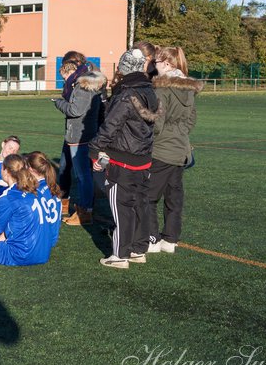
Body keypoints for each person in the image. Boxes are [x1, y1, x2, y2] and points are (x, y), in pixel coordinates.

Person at [90, 48, 159, 269]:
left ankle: (120, 254)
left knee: (121, 205)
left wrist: (95, 149)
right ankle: (139, 249)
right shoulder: (150, 91)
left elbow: (111, 125)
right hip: (143, 155)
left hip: (123, 157)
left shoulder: (126, 93)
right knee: (140, 204)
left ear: (124, 67)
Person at [147, 46, 200, 255]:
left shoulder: (161, 88)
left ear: (167, 64)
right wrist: (179, 132)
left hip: (162, 150)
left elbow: (157, 123)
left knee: (148, 196)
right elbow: (191, 118)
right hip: (180, 149)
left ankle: (151, 239)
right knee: (174, 196)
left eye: (157, 63)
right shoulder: (188, 87)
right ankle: (170, 239)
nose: (154, 66)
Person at [53, 54, 106, 226]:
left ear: (72, 69)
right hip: (81, 135)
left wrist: (59, 103)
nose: (65, 81)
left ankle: (85, 211)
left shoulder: (83, 86)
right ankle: (83, 208)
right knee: (81, 174)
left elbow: (76, 110)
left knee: (83, 176)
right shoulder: (86, 83)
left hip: (80, 136)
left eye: (65, 77)